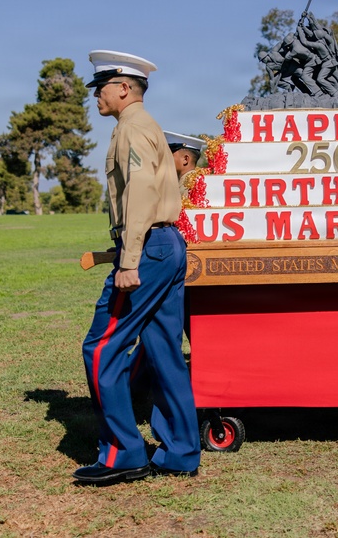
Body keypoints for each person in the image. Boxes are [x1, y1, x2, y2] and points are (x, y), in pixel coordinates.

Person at [75, 50, 201, 484]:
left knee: (102, 346)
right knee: (164, 352)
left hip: (146, 248)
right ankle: (182, 452)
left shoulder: (131, 129)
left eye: (101, 88)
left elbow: (141, 194)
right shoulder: (148, 127)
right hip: (167, 244)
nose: (96, 96)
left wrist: (128, 261)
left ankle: (122, 453)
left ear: (123, 88)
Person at [165, 131, 206, 198]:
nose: (166, 159)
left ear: (185, 159)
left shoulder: (191, 186)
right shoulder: (188, 182)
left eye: (170, 156)